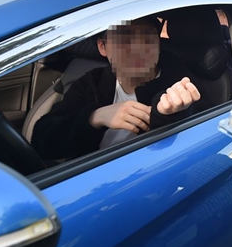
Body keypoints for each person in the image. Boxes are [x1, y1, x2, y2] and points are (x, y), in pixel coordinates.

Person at [32, 17, 201, 160]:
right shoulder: (92, 83)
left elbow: (193, 142)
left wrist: (167, 115)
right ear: (102, 47)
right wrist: (93, 117)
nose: (138, 49)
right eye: (123, 39)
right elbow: (41, 139)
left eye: (147, 38)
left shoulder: (180, 87)